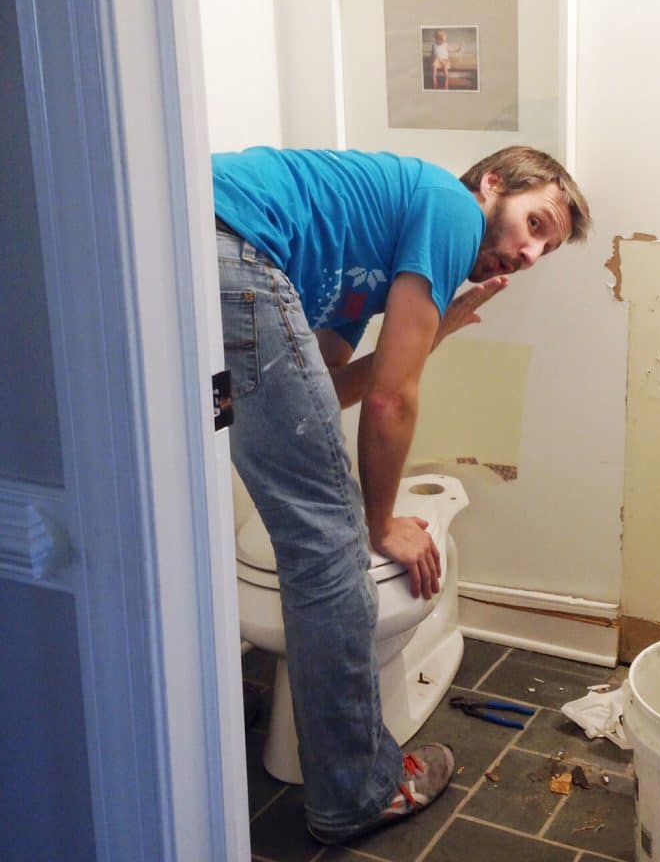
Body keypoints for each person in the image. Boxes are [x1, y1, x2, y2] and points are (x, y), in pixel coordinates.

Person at [212, 145, 590, 844]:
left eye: (546, 248)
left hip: (187, 245)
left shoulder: (357, 275)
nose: (530, 254)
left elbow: (323, 395)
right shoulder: (451, 206)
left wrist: (433, 333)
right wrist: (380, 523)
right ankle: (358, 793)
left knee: (209, 495)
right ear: (492, 184)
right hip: (230, 250)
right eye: (535, 225)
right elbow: (391, 399)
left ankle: (201, 717)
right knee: (330, 542)